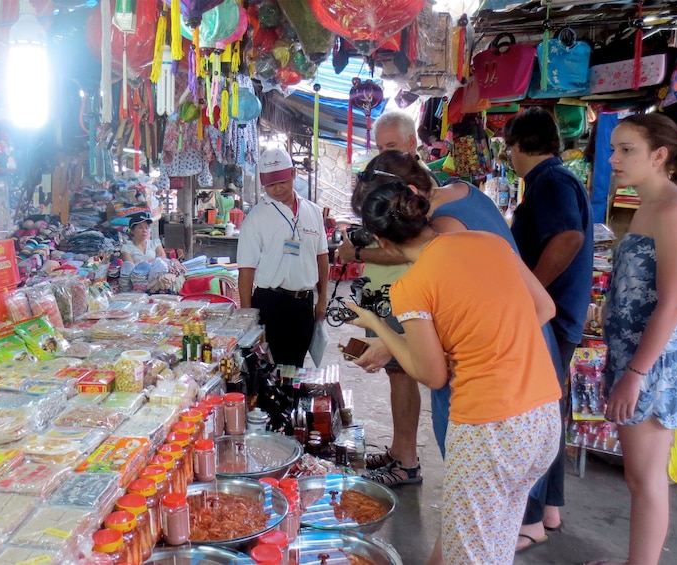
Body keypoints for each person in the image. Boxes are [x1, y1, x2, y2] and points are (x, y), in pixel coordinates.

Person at [346, 183, 561, 565]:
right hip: (542, 418)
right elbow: (543, 308)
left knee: (474, 554)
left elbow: (431, 375)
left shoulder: (412, 286)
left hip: (489, 431)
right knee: (489, 542)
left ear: (382, 241)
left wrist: (380, 327)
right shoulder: (488, 242)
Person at [584, 115, 677, 565]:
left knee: (646, 477)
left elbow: (672, 305)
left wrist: (635, 374)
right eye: (614, 149)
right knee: (640, 476)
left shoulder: (673, 211)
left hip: (652, 363)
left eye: (626, 150)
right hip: (636, 357)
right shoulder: (648, 206)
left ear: (659, 155)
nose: (613, 159)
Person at [505, 107, 594, 546]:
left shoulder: (552, 181)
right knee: (548, 412)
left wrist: (531, 291)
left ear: (522, 146)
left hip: (551, 316)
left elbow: (569, 238)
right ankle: (551, 509)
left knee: (530, 416)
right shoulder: (554, 180)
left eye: (509, 147)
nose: (508, 156)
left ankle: (530, 520)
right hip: (560, 314)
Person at [335, 111, 438, 486]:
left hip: (404, 292)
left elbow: (404, 250)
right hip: (385, 291)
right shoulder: (390, 182)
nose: (381, 157)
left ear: (412, 145)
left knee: (403, 374)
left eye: (390, 147)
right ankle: (399, 450)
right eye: (378, 149)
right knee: (395, 375)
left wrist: (357, 255)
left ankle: (407, 461)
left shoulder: (415, 188)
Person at [237, 147, 329, 367]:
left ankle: (293, 401)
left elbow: (322, 257)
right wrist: (248, 316)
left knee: (296, 366)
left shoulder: (313, 211)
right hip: (271, 303)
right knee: (271, 369)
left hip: (304, 304)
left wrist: (322, 298)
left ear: (293, 174)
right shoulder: (255, 218)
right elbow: (246, 271)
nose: (277, 189)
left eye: (282, 182)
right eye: (271, 185)